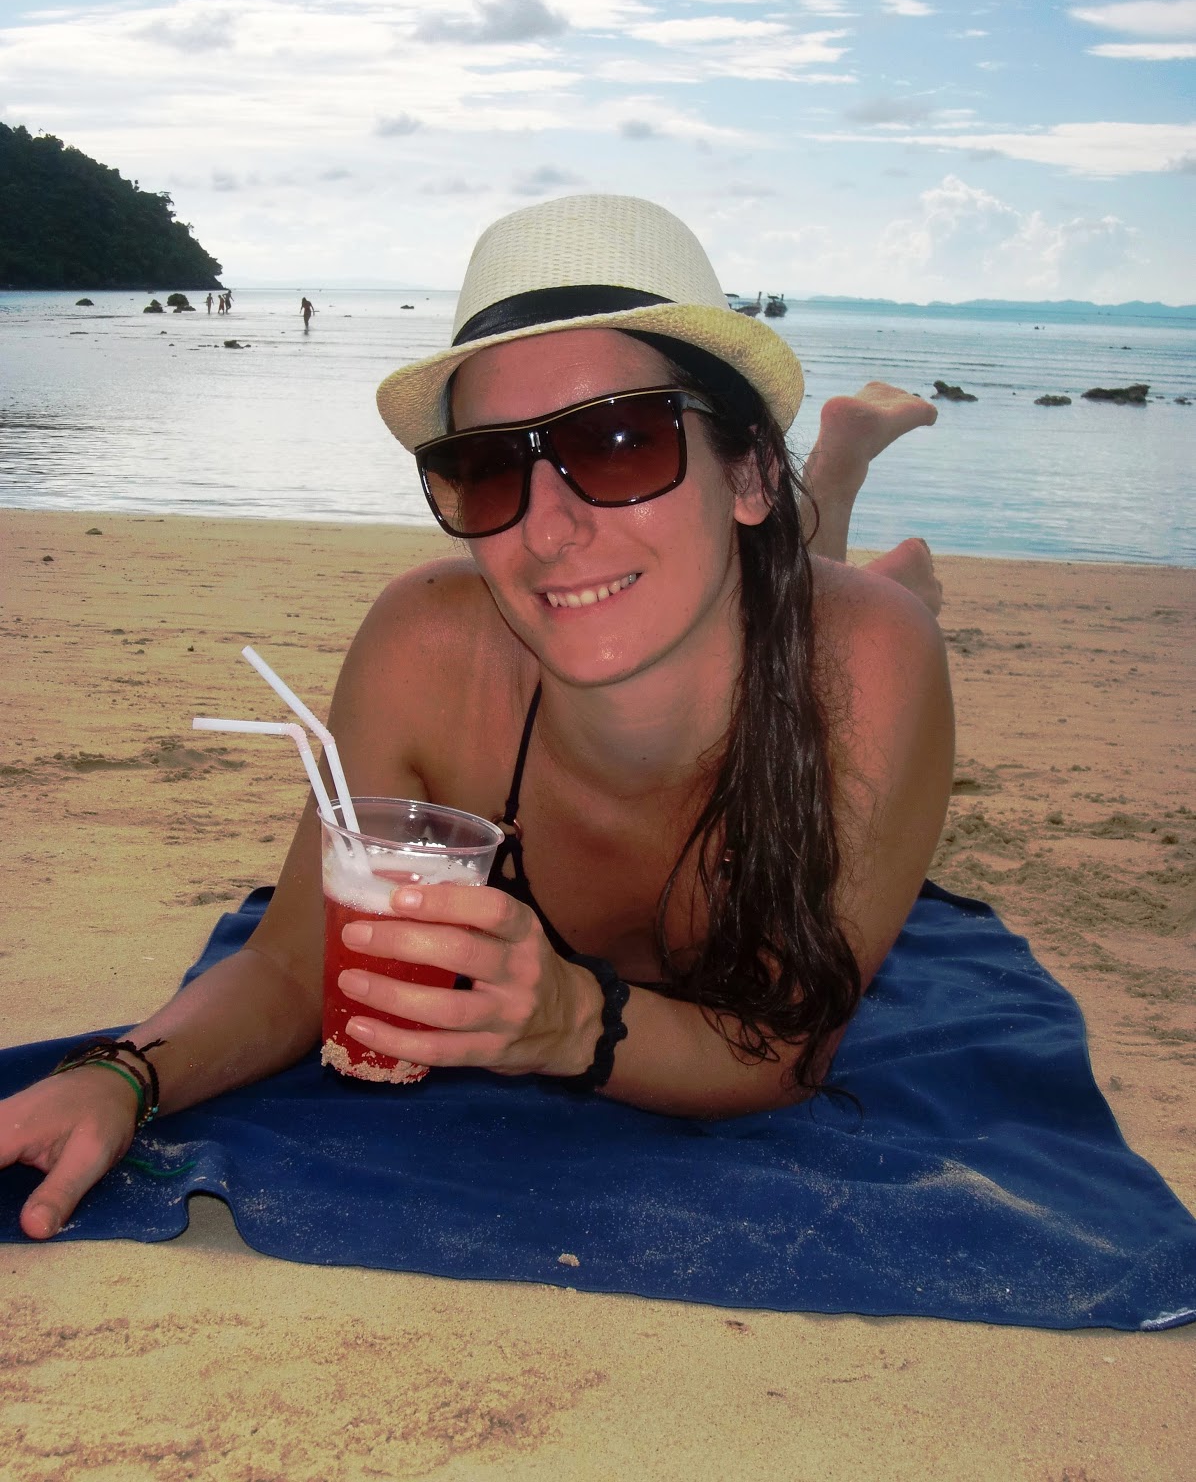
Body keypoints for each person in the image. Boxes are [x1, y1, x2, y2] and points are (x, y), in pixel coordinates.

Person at [1, 193, 953, 1241]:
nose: (547, 529)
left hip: (817, 625)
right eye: (488, 468)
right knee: (755, 588)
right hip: (744, 591)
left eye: (620, 442)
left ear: (748, 467)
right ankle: (828, 477)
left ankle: (839, 474)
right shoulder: (424, 649)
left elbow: (784, 1046)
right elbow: (291, 964)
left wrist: (575, 1024)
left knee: (819, 615)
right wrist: (120, 1075)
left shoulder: (874, 662)